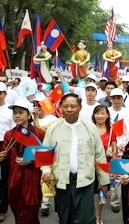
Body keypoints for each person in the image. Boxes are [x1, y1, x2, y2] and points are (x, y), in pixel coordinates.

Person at [40, 93, 110, 224]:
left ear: (80, 107)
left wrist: (103, 181)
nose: (69, 109)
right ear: (60, 108)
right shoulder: (52, 129)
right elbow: (44, 154)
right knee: (65, 217)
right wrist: (46, 171)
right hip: (62, 181)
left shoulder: (91, 128)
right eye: (65, 106)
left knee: (85, 218)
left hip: (86, 181)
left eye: (73, 106)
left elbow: (100, 155)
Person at [0, 99, 45, 223]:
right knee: (18, 215)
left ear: (29, 115)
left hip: (32, 180)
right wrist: (2, 156)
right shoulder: (9, 134)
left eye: (21, 112)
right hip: (14, 180)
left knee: (31, 215)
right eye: (15, 113)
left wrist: (29, 161)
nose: (17, 116)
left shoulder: (39, 133)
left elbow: (46, 157)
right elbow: (6, 156)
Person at [92, 105, 117, 224]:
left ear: (107, 115)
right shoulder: (89, 128)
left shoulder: (111, 130)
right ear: (93, 115)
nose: (100, 116)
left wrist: (115, 167)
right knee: (88, 192)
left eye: (103, 113)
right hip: (90, 165)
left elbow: (115, 150)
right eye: (97, 113)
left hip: (105, 165)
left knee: (102, 191)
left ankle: (98, 215)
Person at [0, 82, 15, 222]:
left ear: (4, 94)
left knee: (3, 179)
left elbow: (14, 133)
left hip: (5, 145)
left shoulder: (10, 112)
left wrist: (6, 149)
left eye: (0, 93)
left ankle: (2, 209)